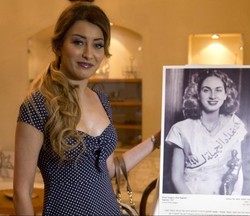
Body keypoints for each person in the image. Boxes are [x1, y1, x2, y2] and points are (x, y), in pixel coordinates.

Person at [13, 2, 160, 215]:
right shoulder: (37, 106)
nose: (89, 54)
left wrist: (155, 141)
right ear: (58, 46)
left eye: (98, 45)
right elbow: (21, 194)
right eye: (78, 42)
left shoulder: (101, 99)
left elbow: (109, 170)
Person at [165, 69, 247, 195]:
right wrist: (194, 206)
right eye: (206, 90)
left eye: (218, 90)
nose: (213, 96)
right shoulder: (180, 129)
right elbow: (177, 178)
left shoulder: (234, 125)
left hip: (223, 199)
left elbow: (237, 170)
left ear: (226, 94)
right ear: (197, 94)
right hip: (190, 197)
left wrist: (233, 201)